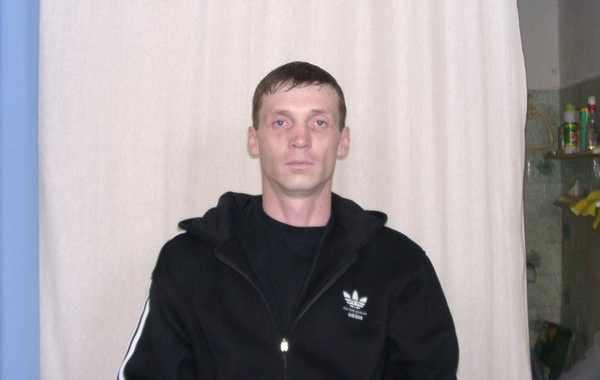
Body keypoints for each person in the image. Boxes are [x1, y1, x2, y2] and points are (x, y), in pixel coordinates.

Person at [118, 61, 459, 379]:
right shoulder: (188, 261)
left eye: (318, 122)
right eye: (280, 122)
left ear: (343, 141)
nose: (300, 140)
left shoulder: (398, 265)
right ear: (254, 140)